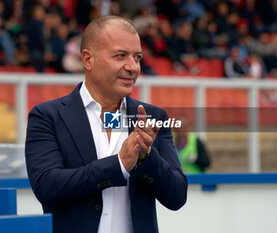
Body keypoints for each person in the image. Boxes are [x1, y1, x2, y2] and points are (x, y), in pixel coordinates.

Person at [25, 15, 187, 233]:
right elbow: (47, 187)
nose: (133, 67)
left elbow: (177, 196)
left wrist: (148, 158)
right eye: (121, 56)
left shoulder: (152, 117)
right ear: (88, 59)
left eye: (137, 57)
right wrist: (119, 164)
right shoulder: (47, 116)